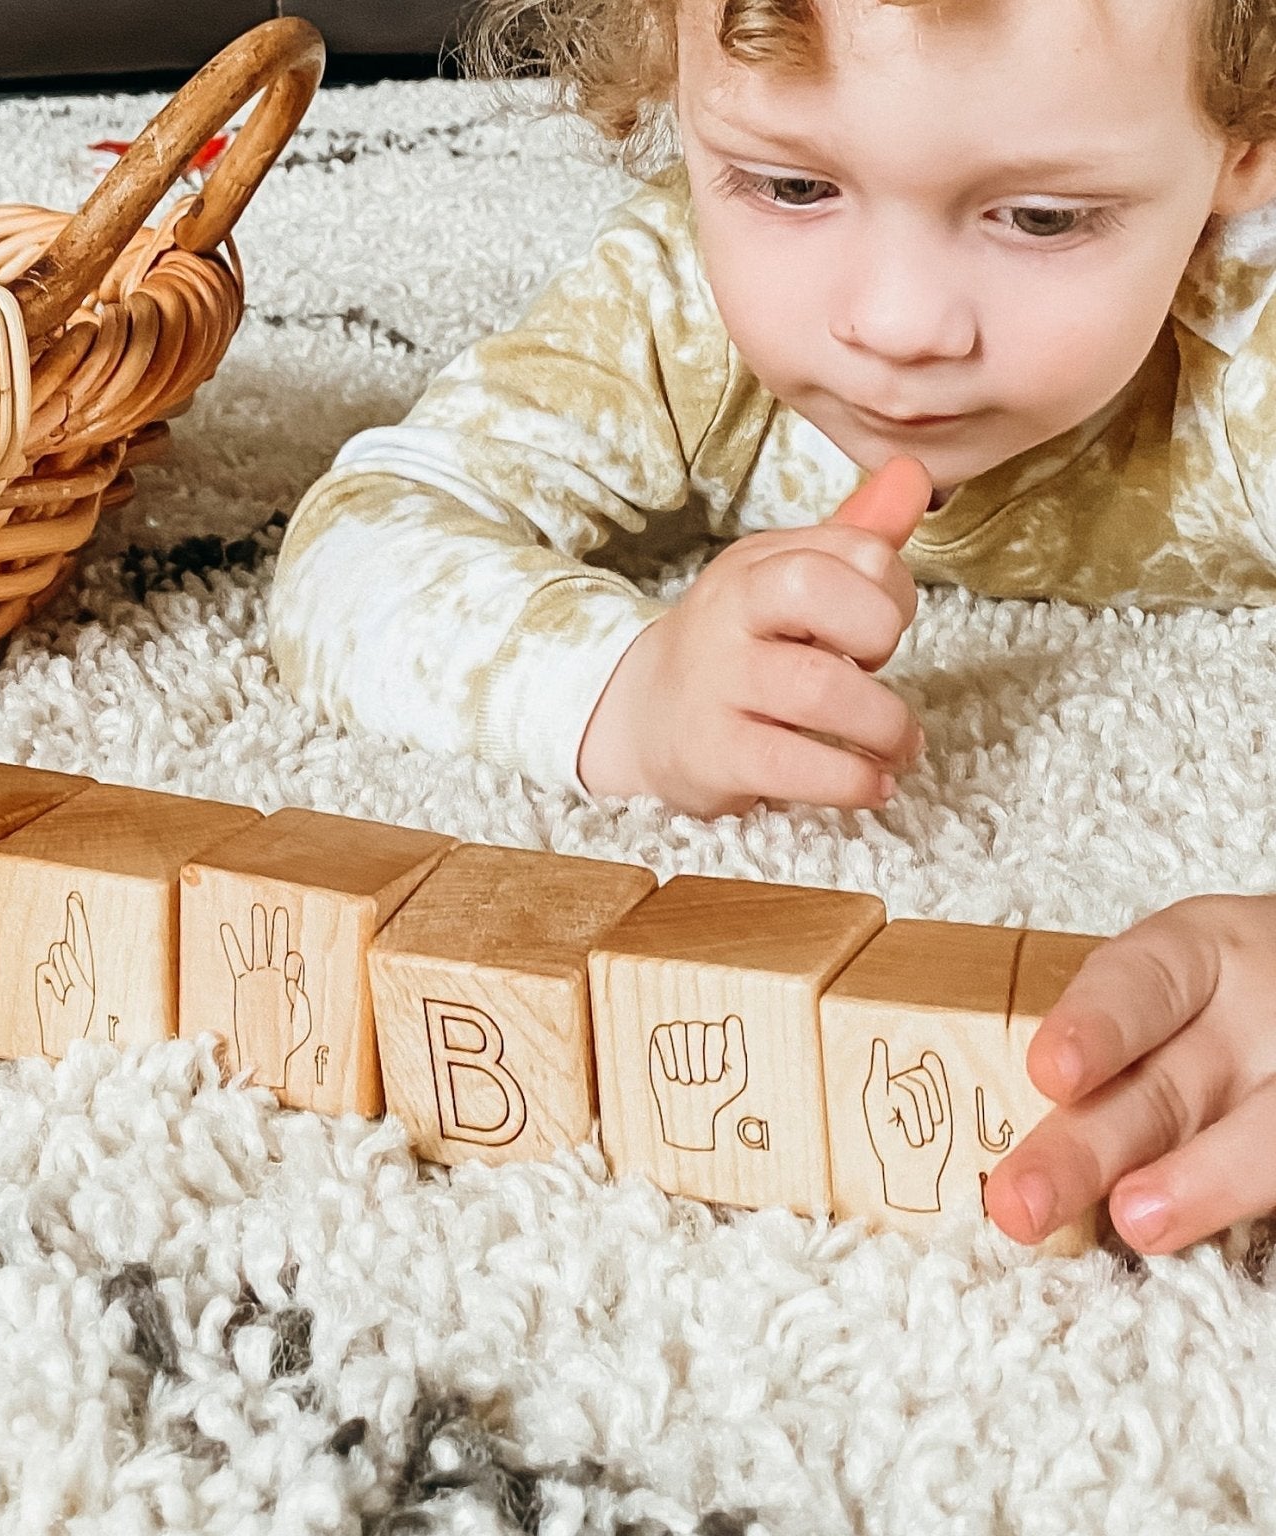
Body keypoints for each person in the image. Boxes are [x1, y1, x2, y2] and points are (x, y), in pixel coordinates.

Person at [269, 0, 1276, 1256]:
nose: (901, 325)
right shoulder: (678, 300)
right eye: (792, 185)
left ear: (1247, 138)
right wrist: (628, 692)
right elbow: (356, 544)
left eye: (1041, 217)